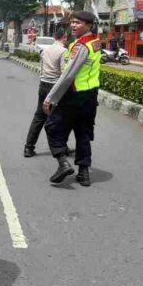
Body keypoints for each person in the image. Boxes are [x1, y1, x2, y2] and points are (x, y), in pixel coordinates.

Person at [43, 11, 102, 187]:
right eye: (73, 23)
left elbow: (68, 75)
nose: (73, 26)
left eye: (78, 23)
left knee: (52, 126)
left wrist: (50, 98)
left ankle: (63, 163)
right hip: (90, 95)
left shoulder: (81, 46)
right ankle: (84, 173)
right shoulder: (95, 42)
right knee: (83, 133)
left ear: (89, 26)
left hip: (74, 95)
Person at [24, 27, 68, 157]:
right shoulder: (64, 51)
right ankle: (60, 148)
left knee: (39, 116)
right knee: (57, 119)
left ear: (54, 37)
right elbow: (63, 72)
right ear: (64, 37)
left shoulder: (45, 51)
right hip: (55, 87)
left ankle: (28, 147)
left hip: (43, 85)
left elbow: (41, 69)